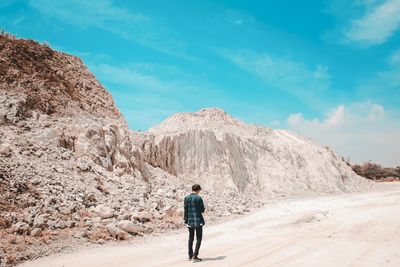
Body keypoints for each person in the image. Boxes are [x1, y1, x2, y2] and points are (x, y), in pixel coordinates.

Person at [184, 184, 205, 262]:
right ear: (198, 190)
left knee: (191, 237)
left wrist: (185, 220)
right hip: (198, 220)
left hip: (189, 221)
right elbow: (202, 210)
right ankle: (195, 256)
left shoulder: (186, 198)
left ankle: (190, 255)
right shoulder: (198, 198)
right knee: (199, 238)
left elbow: (185, 210)